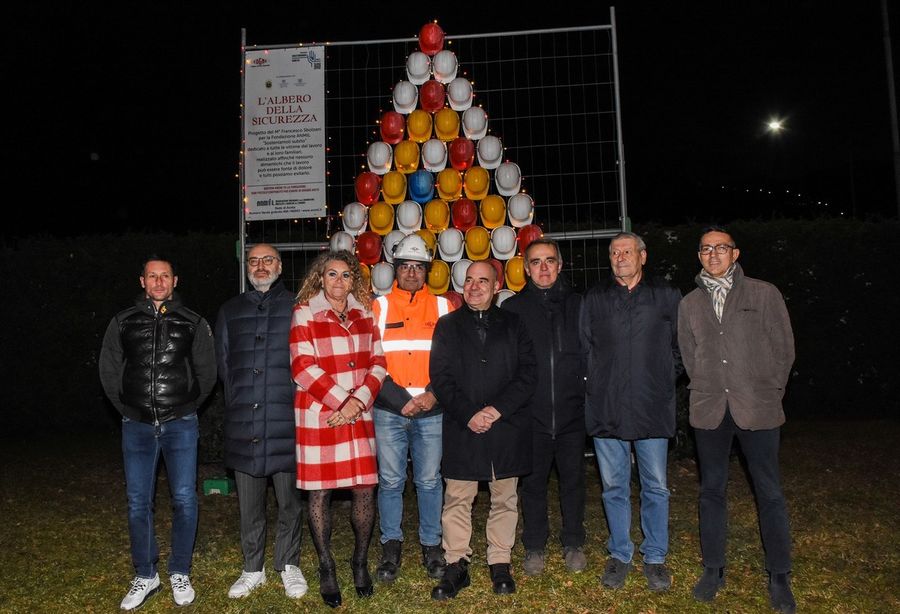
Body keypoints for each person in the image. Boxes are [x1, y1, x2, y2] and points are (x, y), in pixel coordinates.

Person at [678, 227, 796, 614]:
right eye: (706, 249)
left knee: (769, 491)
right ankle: (714, 569)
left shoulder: (764, 294)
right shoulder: (690, 303)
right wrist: (710, 386)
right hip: (711, 409)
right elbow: (689, 354)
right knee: (712, 491)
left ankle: (779, 575)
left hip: (757, 408)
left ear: (736, 253)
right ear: (699, 256)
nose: (714, 254)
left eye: (721, 248)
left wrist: (769, 390)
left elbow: (784, 350)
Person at [99, 255, 216, 610]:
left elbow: (207, 372)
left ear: (175, 281)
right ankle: (146, 574)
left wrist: (186, 408)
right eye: (152, 276)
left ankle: (180, 570)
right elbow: (109, 370)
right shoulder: (122, 321)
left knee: (184, 499)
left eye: (165, 276)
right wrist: (129, 410)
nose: (159, 282)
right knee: (138, 502)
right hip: (136, 425)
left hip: (180, 423)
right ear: (142, 281)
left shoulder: (193, 321)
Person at [580, 232, 683, 592]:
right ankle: (620, 553)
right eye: (613, 253)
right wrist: (596, 384)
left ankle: (655, 557)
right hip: (607, 407)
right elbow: (584, 348)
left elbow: (680, 346)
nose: (620, 257)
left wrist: (662, 377)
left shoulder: (666, 295)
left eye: (626, 251)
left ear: (643, 255)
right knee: (613, 486)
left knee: (655, 486)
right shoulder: (595, 298)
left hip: (651, 405)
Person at [428, 261, 537, 600]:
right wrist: (468, 413)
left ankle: (500, 561)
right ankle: (456, 563)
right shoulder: (447, 326)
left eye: (483, 281)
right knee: (458, 498)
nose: (475, 287)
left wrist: (496, 409)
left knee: (505, 496)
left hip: (506, 425)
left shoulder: (514, 324)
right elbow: (441, 378)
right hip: (463, 426)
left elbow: (528, 373)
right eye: (469, 281)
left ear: (496, 285)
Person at [290, 249, 387, 608]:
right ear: (320, 278)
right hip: (320, 414)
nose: (339, 281)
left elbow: (379, 363)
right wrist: (340, 402)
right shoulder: (304, 311)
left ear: (354, 281)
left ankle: (359, 562)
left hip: (358, 413)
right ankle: (326, 566)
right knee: (320, 493)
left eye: (346, 275)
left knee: (365, 489)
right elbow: (301, 365)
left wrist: (357, 402)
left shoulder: (365, 312)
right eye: (332, 274)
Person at [215, 244, 307, 601]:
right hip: (245, 423)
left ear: (280, 266)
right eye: (254, 261)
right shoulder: (230, 310)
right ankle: (253, 568)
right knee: (249, 505)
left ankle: (288, 564)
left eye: (268, 260)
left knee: (290, 502)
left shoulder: (298, 308)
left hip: (287, 419)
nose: (260, 266)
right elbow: (225, 367)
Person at [371, 234, 455, 583]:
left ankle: (431, 545)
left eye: (417, 267)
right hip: (391, 409)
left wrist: (432, 395)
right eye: (404, 266)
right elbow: (368, 360)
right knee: (390, 481)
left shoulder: (443, 307)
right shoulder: (378, 307)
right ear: (394, 270)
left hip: (432, 409)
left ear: (426, 271)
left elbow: (454, 361)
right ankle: (391, 545)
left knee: (430, 481)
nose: (410, 273)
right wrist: (400, 400)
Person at [501, 238, 587, 576]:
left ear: (560, 265)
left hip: (572, 413)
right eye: (536, 262)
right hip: (531, 416)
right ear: (526, 268)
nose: (544, 267)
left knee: (574, 482)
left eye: (550, 260)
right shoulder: (513, 309)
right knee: (533, 484)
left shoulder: (580, 304)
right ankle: (534, 546)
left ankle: (574, 542)